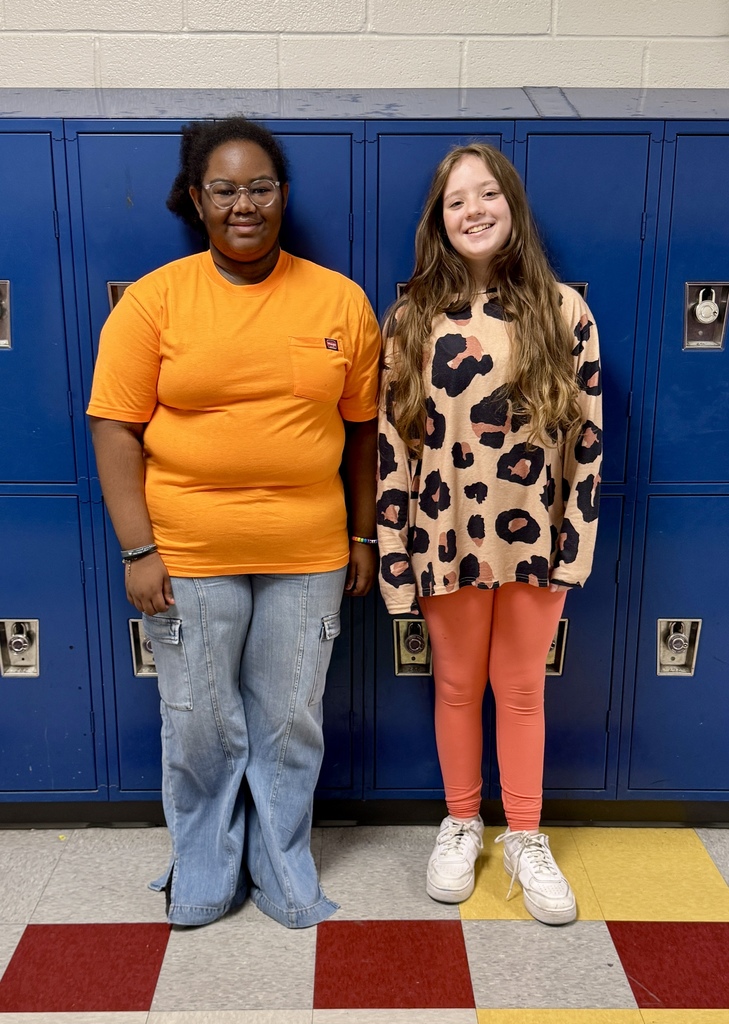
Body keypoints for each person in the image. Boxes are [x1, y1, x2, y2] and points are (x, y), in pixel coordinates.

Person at [87, 117, 381, 929]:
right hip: (186, 552)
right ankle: (204, 867)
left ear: (281, 196)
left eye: (259, 188)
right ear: (195, 198)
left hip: (309, 551)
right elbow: (114, 426)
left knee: (290, 720)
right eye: (224, 189)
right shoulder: (155, 301)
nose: (243, 204)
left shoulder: (338, 300)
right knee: (201, 723)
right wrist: (137, 549)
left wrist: (361, 538)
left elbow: (361, 431)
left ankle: (283, 867)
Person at [376, 143, 602, 925]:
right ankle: (462, 821)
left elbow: (587, 441)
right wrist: (395, 558)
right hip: (444, 532)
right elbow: (393, 445)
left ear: (511, 205)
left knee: (520, 688)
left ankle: (526, 836)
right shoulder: (410, 319)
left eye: (486, 195)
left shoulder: (564, 312)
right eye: (454, 201)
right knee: (454, 685)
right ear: (438, 221)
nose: (473, 211)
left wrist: (574, 543)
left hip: (535, 537)